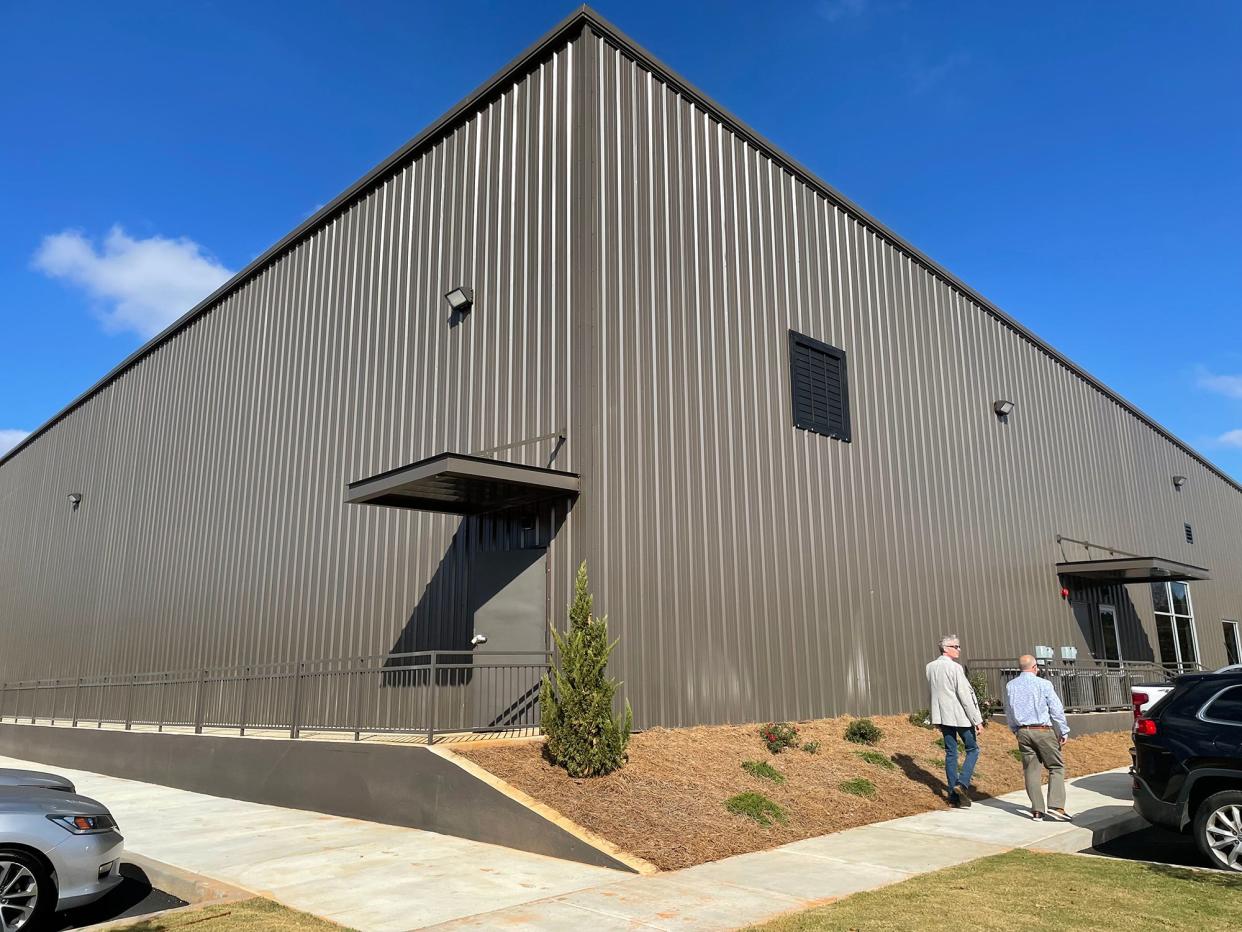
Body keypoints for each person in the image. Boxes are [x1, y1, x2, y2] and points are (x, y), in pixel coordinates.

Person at [1004, 654, 1071, 821]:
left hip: (1023, 731)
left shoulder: (1010, 686)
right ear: (1034, 667)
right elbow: (1056, 708)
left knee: (1031, 770)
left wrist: (1014, 729)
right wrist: (1063, 730)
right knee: (1056, 766)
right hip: (1042, 729)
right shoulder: (1044, 684)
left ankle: (1037, 810)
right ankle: (1056, 806)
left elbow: (1009, 709)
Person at [926, 634, 984, 807]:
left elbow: (932, 694)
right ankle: (962, 784)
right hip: (960, 716)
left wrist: (934, 716)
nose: (959, 649)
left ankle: (953, 797)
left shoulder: (930, 667)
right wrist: (977, 720)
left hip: (943, 717)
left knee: (951, 753)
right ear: (945, 648)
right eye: (955, 646)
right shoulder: (955, 668)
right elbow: (965, 696)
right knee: (972, 749)